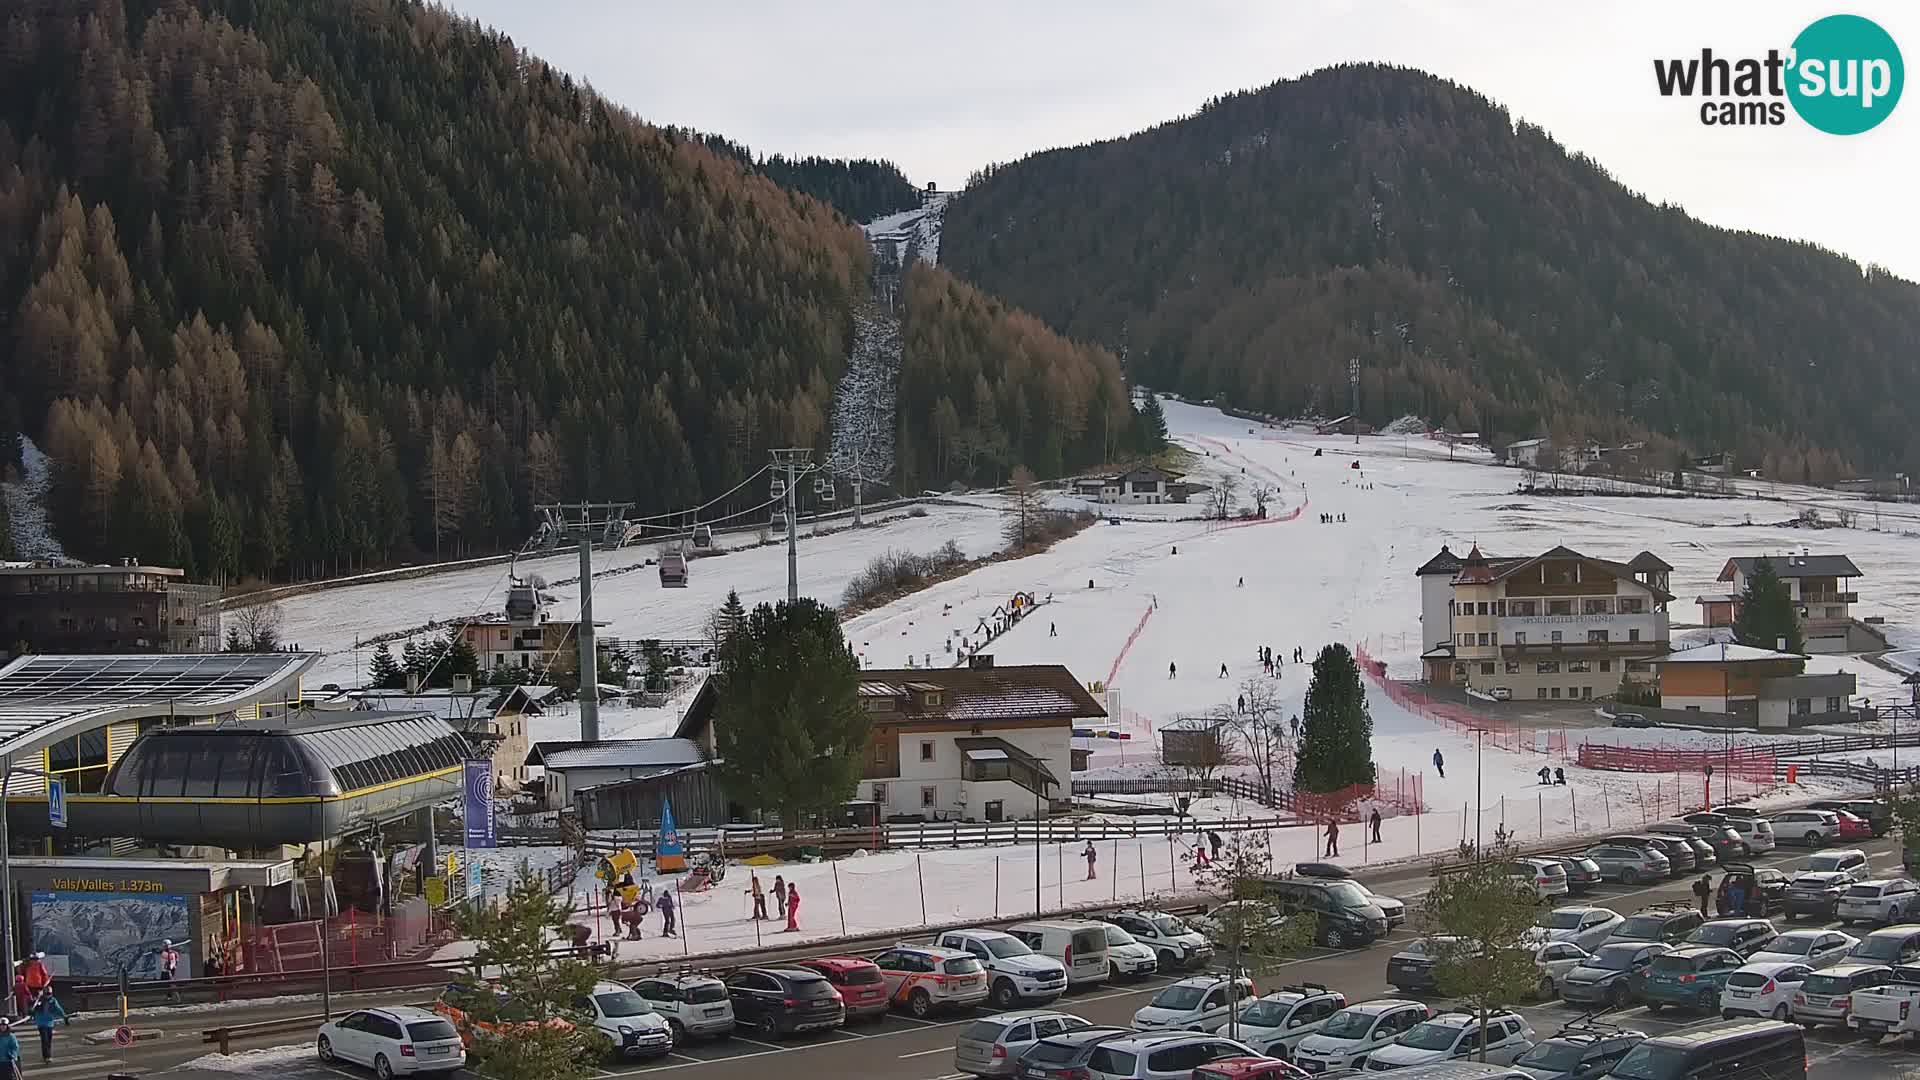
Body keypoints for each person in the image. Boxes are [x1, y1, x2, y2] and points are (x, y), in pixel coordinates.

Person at [28, 992, 65, 1064]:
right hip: (41, 1023)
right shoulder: (39, 1000)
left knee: (49, 1040)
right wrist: (32, 1010)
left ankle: (47, 1055)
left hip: (49, 1023)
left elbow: (58, 1008)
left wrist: (64, 1016)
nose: (48, 995)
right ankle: (47, 1056)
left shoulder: (53, 1000)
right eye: (47, 994)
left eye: (50, 994)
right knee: (44, 1039)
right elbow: (32, 1009)